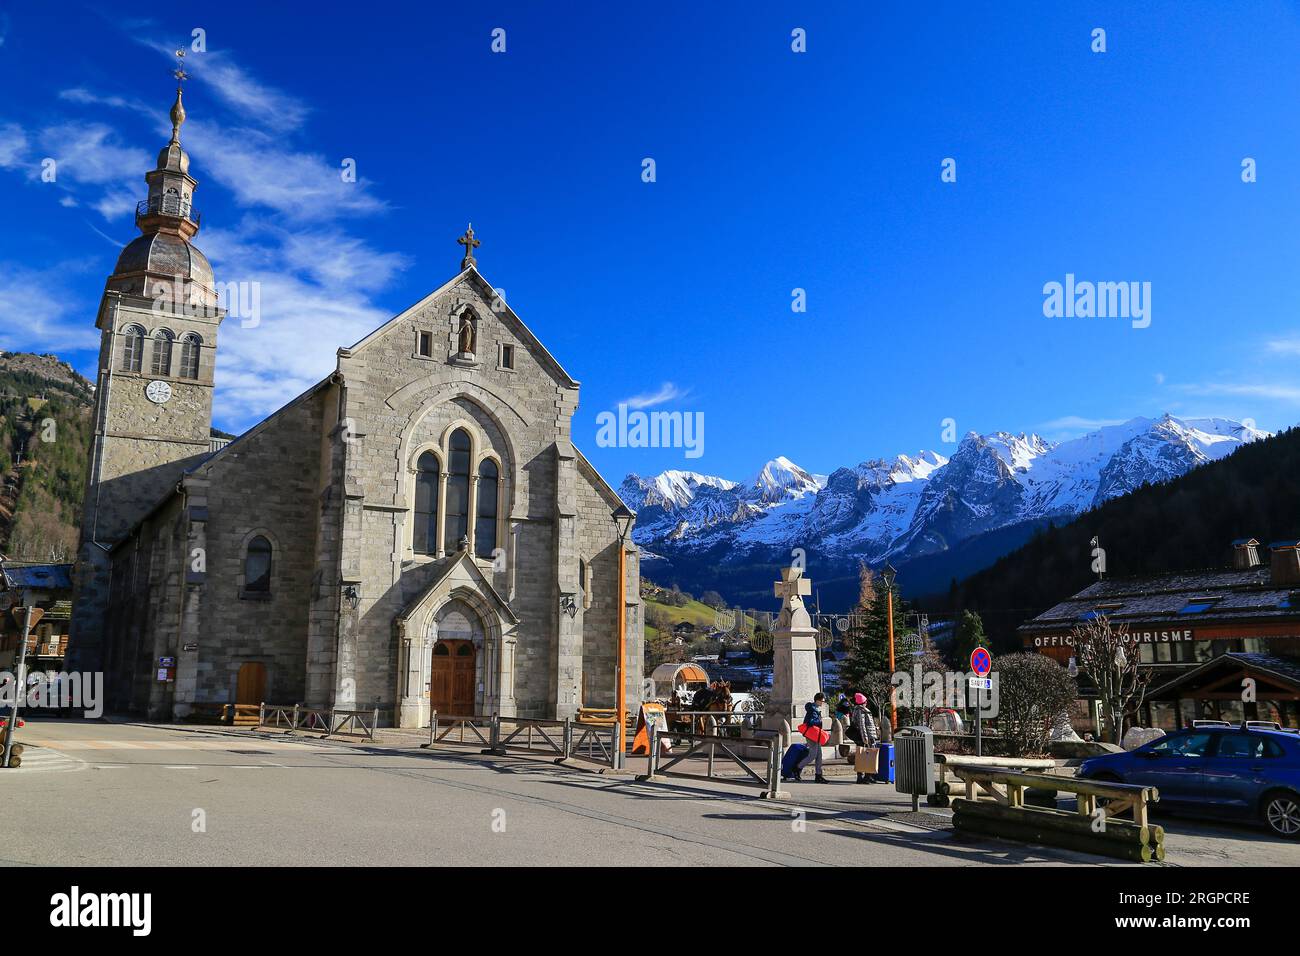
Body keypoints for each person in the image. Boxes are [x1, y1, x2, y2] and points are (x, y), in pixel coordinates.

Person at [796, 693, 828, 783]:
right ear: (817, 700)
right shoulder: (812, 709)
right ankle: (797, 768)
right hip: (811, 735)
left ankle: (818, 775)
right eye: (822, 701)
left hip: (816, 735)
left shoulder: (815, 709)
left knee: (819, 756)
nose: (823, 703)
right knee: (812, 755)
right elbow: (810, 722)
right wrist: (819, 720)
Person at [850, 692, 879, 784]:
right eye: (866, 701)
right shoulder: (860, 711)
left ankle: (868, 775)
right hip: (865, 737)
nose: (867, 703)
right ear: (863, 702)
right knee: (864, 756)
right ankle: (863, 777)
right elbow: (862, 726)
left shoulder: (861, 710)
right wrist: (865, 738)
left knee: (865, 756)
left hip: (867, 736)